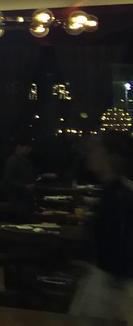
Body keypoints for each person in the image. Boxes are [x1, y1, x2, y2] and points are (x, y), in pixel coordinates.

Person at [69, 132, 133, 321]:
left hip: (112, 286)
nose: (89, 154)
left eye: (94, 149)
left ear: (109, 156)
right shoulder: (117, 191)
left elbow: (120, 245)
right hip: (111, 282)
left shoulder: (118, 196)